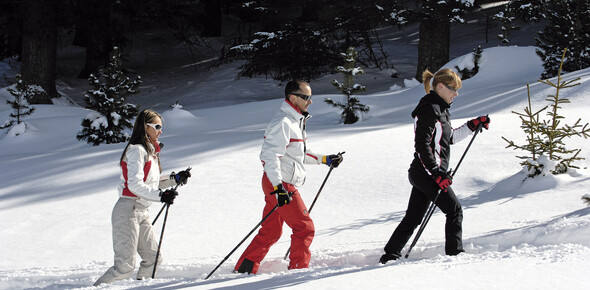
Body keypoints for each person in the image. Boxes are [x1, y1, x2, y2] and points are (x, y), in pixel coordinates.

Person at [379, 68, 490, 264]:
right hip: (426, 172)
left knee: (413, 218)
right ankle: (454, 255)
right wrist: (436, 172)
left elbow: (450, 138)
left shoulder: (441, 109)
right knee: (454, 210)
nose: (456, 94)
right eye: (453, 89)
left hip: (428, 173)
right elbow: (422, 146)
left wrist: (472, 125)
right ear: (440, 86)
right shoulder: (428, 109)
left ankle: (390, 254)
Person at [233, 80, 344, 274]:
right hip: (281, 184)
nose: (310, 102)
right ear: (293, 97)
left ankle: (245, 268)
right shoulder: (283, 122)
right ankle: (297, 273)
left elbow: (298, 152)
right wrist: (278, 188)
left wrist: (325, 159)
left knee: (271, 231)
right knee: (305, 228)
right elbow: (269, 157)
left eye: (311, 97)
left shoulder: (294, 121)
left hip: (277, 183)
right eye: (306, 97)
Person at [94, 109, 191, 286]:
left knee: (153, 259)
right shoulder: (137, 151)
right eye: (157, 126)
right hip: (127, 210)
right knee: (124, 267)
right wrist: (161, 196)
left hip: (141, 211)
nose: (160, 130)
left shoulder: (150, 153)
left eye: (161, 127)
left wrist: (174, 179)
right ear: (145, 127)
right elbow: (134, 184)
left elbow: (151, 184)